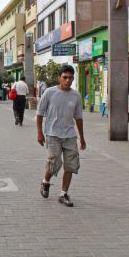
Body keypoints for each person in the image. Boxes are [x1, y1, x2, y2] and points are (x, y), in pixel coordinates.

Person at [36, 65, 86, 207]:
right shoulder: (50, 92)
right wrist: (39, 133)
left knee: (71, 165)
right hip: (52, 134)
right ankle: (45, 182)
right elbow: (39, 113)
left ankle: (63, 193)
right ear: (59, 78)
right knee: (54, 163)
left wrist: (82, 137)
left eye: (70, 78)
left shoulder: (76, 95)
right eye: (65, 77)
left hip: (70, 135)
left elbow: (78, 117)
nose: (68, 80)